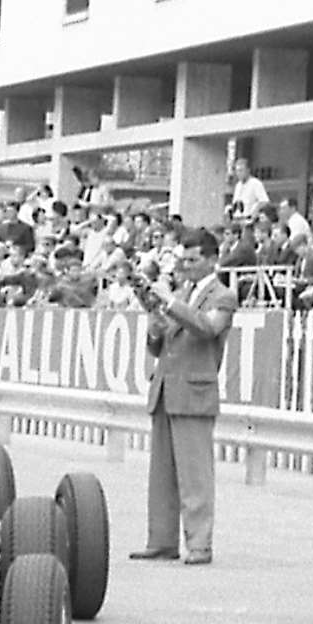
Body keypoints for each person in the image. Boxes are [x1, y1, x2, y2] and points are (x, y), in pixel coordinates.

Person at [133, 227, 234, 566]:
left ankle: (200, 543)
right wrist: (154, 326)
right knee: (161, 475)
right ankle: (161, 540)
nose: (187, 266)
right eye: (184, 259)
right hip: (166, 388)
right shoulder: (182, 293)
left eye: (193, 260)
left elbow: (207, 328)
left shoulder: (222, 296)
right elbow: (160, 346)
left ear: (211, 259)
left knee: (195, 476)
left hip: (194, 392)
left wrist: (170, 303)